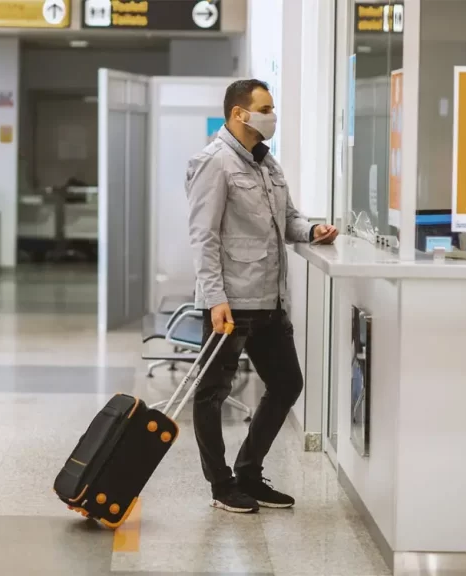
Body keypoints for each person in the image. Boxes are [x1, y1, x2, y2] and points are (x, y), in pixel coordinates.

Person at [185, 79, 338, 514]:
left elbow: (287, 218)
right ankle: (222, 486)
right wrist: (215, 298)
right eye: (265, 108)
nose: (272, 115)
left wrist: (312, 230)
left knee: (288, 383)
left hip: (269, 299)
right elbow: (203, 237)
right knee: (212, 392)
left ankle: (250, 472)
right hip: (231, 302)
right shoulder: (214, 163)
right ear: (239, 113)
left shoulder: (266, 164)